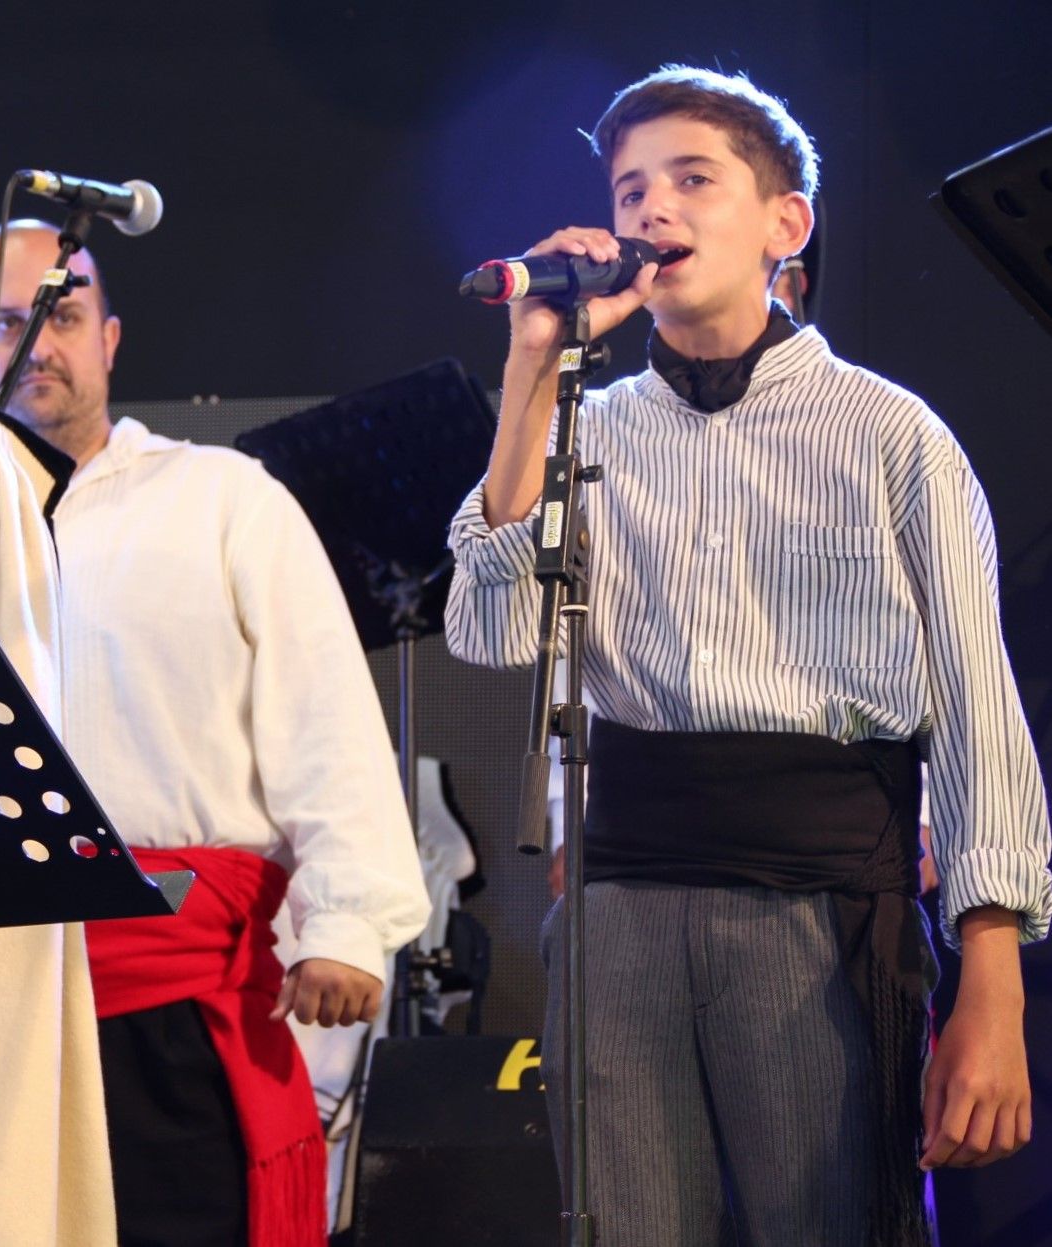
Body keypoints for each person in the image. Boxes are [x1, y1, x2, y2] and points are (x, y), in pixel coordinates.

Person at [445, 67, 1051, 1246]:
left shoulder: (888, 433)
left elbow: (978, 705)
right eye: (628, 190)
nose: (650, 211)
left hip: (815, 901)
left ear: (785, 224)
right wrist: (532, 364)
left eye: (689, 179)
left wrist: (992, 970)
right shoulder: (588, 423)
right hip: (621, 898)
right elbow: (489, 629)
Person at [0, 222, 428, 1245]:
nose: (39, 344)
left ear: (108, 339)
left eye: (61, 315)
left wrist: (346, 922)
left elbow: (324, 711)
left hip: (172, 993)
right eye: (4, 324)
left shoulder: (219, 499)